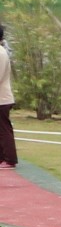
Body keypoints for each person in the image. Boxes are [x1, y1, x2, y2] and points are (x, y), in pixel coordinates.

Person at [0, 19, 16, 169]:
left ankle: (10, 159)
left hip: (2, 99)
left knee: (4, 129)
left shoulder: (0, 52)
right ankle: (2, 157)